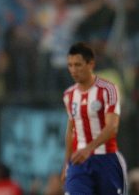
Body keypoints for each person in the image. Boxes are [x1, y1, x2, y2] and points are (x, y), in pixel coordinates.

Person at [61, 42, 128, 195]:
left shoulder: (108, 89)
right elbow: (71, 131)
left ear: (90, 64)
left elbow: (112, 127)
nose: (73, 70)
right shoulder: (69, 95)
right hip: (79, 163)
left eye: (78, 65)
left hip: (107, 160)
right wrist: (66, 164)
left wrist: (88, 149)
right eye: (70, 65)